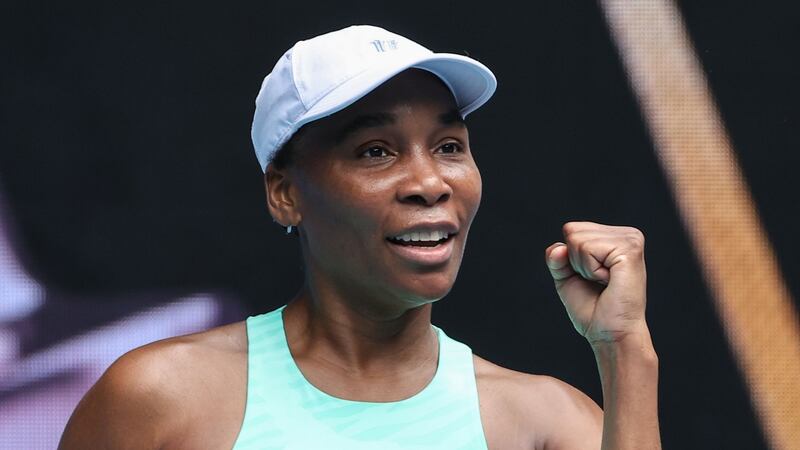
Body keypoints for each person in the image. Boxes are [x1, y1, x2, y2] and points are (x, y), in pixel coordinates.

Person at [59, 25, 661, 449]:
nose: (429, 181)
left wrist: (625, 348)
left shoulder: (542, 420)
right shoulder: (158, 398)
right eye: (376, 151)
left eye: (449, 147)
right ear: (284, 193)